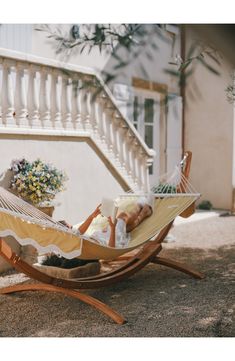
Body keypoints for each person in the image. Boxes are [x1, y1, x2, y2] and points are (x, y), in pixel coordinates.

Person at [60, 195, 154, 248]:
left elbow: (79, 231)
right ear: (66, 230)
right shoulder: (75, 242)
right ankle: (140, 205)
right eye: (69, 226)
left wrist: (93, 215)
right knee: (123, 217)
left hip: (101, 235)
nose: (72, 227)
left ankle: (145, 211)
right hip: (109, 239)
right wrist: (112, 229)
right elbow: (111, 249)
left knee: (126, 226)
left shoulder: (73, 239)